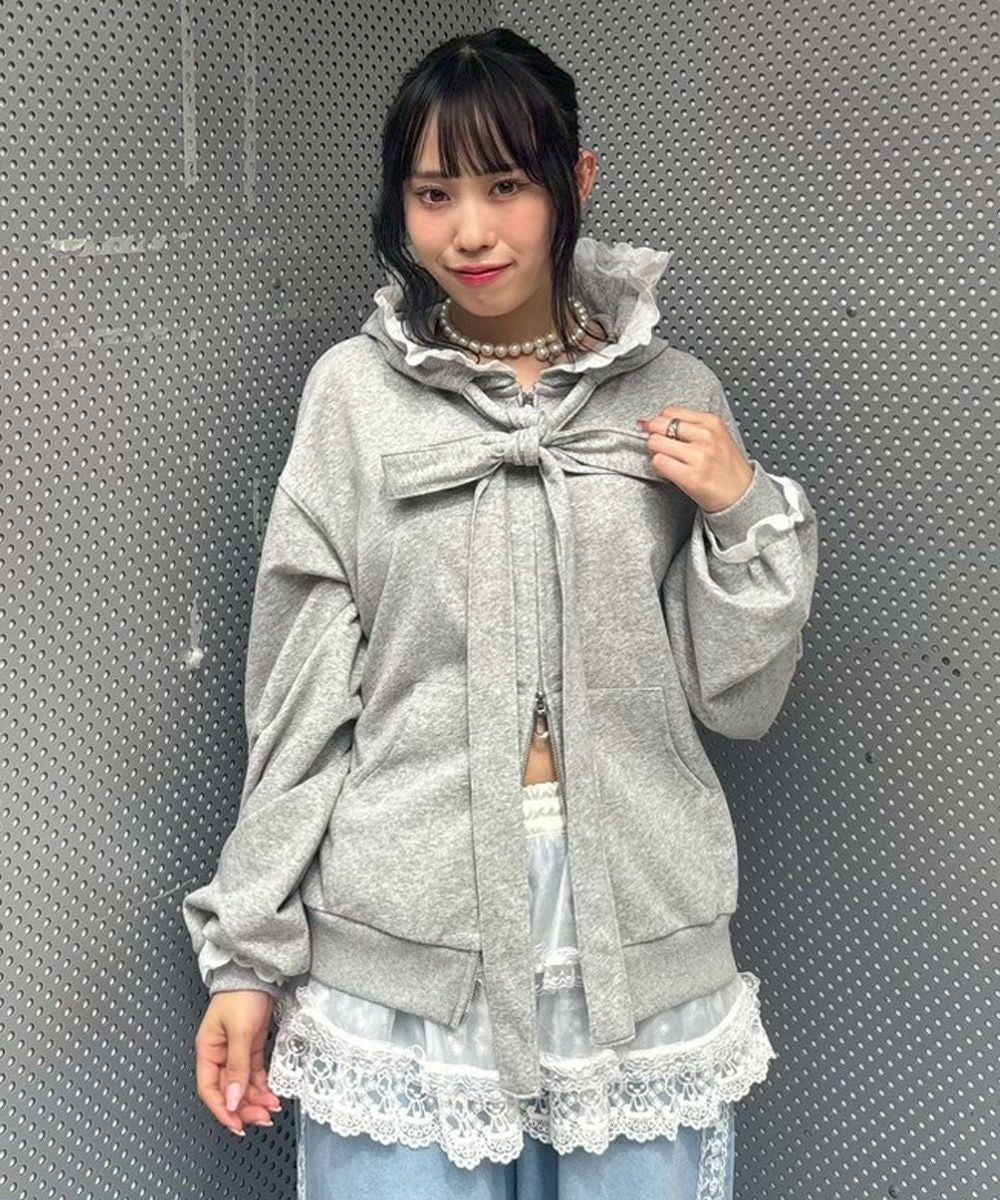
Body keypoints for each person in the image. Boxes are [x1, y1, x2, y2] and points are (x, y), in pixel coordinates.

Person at [183, 26, 819, 1200]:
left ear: (575, 181)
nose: (469, 231)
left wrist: (743, 514)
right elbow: (300, 701)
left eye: (506, 187)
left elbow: (737, 696)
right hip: (402, 942)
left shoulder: (674, 393)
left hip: (635, 939)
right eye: (434, 195)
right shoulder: (351, 399)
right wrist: (246, 959)